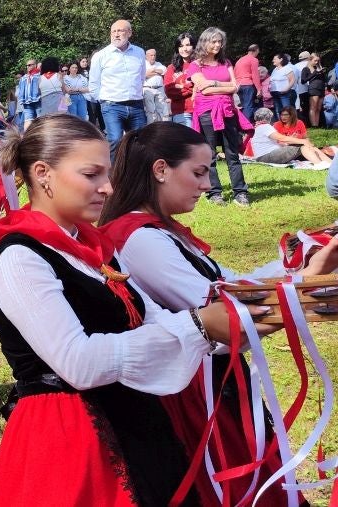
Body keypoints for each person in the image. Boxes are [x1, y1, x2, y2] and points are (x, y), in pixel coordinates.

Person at [0, 114, 268, 506]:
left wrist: (271, 310)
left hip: (137, 420)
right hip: (70, 437)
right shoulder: (19, 256)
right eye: (92, 174)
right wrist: (200, 326)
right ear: (43, 173)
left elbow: (161, 322)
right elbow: (76, 363)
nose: (108, 188)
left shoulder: (90, 250)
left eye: (108, 174)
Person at [99, 121, 333, 507]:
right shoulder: (139, 237)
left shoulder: (158, 232)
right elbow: (222, 313)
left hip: (212, 384)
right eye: (198, 172)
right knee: (234, 487)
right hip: (197, 393)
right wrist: (303, 283)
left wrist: (302, 266)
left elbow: (226, 285)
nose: (207, 184)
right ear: (160, 170)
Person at [186, 27, 253, 206]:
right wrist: (223, 86)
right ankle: (214, 193)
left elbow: (234, 87)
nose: (217, 45)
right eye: (213, 41)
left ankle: (240, 192)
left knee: (232, 153)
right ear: (205, 42)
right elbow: (203, 88)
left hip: (227, 111)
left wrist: (214, 84)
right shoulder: (195, 65)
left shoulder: (226, 62)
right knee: (210, 155)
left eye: (219, 41)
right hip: (206, 113)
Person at [90, 19, 148, 158]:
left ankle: (136, 175)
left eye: (120, 31)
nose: (116, 34)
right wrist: (104, 102)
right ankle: (114, 177)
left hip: (136, 105)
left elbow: (141, 77)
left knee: (140, 142)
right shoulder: (101, 55)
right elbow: (94, 84)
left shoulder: (139, 52)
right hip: (112, 105)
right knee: (115, 140)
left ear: (129, 33)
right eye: (113, 31)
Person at [249, 107, 332, 167]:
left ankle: (329, 163)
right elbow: (281, 138)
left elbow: (276, 142)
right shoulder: (265, 126)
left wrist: (293, 142)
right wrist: (302, 141)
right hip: (266, 157)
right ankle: (320, 165)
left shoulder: (260, 127)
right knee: (302, 146)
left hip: (268, 155)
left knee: (308, 147)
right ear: (268, 117)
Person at [165, 33, 196, 126]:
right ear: (177, 49)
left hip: (200, 111)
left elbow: (202, 86)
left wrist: (180, 86)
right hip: (181, 112)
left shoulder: (200, 65)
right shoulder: (171, 68)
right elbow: (169, 91)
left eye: (188, 45)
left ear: (194, 46)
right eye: (181, 46)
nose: (184, 49)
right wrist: (192, 87)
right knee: (187, 140)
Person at [234, 45, 262, 121]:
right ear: (256, 50)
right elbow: (255, 75)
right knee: (248, 106)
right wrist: (259, 89)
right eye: (258, 51)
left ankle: (242, 125)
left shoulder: (240, 60)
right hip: (248, 85)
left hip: (239, 85)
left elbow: (235, 73)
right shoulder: (253, 60)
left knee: (243, 106)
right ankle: (247, 127)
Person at [302, 53, 327, 127]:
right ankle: (314, 125)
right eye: (315, 61)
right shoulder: (306, 69)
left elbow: (324, 80)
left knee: (319, 108)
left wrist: (321, 72)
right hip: (313, 89)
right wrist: (314, 73)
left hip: (321, 88)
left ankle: (317, 124)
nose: (317, 62)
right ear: (310, 60)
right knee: (313, 107)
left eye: (318, 61)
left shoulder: (318, 68)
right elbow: (303, 81)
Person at [79, 56, 104, 130]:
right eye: (83, 62)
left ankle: (102, 128)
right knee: (90, 113)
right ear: (79, 63)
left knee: (98, 111)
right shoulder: (78, 72)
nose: (85, 63)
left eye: (86, 61)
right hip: (83, 95)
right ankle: (91, 129)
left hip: (93, 94)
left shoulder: (91, 70)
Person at [143, 48, 168, 122]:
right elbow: (143, 75)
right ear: (146, 56)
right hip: (148, 89)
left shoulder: (158, 64)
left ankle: (161, 126)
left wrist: (153, 71)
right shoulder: (143, 64)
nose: (153, 57)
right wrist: (157, 72)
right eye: (151, 55)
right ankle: (150, 126)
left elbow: (163, 70)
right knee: (150, 110)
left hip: (159, 89)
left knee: (161, 109)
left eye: (154, 55)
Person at [269, 54, 297, 119]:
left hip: (284, 94)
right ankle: (280, 125)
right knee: (278, 110)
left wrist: (286, 89)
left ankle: (290, 125)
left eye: (275, 59)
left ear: (281, 59)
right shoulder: (275, 69)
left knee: (286, 110)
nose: (273, 60)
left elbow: (292, 80)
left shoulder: (287, 68)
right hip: (275, 93)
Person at [16, 59, 41, 129]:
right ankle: (27, 138)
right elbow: (20, 91)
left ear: (35, 65)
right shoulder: (24, 77)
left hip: (38, 100)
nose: (27, 67)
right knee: (28, 121)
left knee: (40, 120)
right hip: (27, 102)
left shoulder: (39, 75)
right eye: (27, 65)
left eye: (29, 65)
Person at [294, 51, 311, 123]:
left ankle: (303, 123)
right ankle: (310, 123)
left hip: (298, 90)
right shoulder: (309, 65)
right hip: (308, 89)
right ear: (309, 57)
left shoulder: (295, 66)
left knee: (300, 108)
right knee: (309, 107)